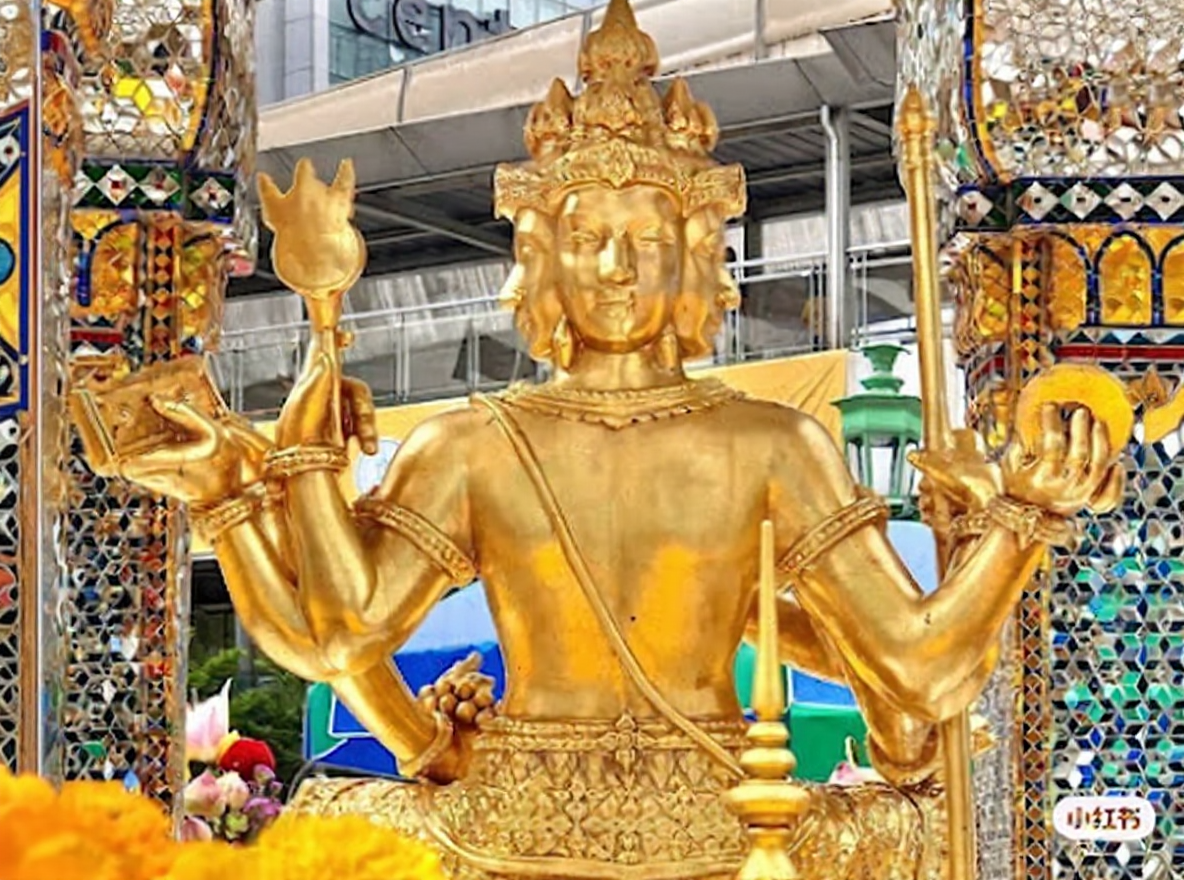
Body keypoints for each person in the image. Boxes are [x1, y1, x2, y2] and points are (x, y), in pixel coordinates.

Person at [110, 1, 1123, 876]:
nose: (612, 267)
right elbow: (338, 638)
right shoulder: (481, 441)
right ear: (537, 252)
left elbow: (912, 676)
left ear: (694, 252)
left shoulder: (765, 441)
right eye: (584, 236)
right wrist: (1015, 524)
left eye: (644, 239)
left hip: (683, 819)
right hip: (615, 820)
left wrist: (265, 488)